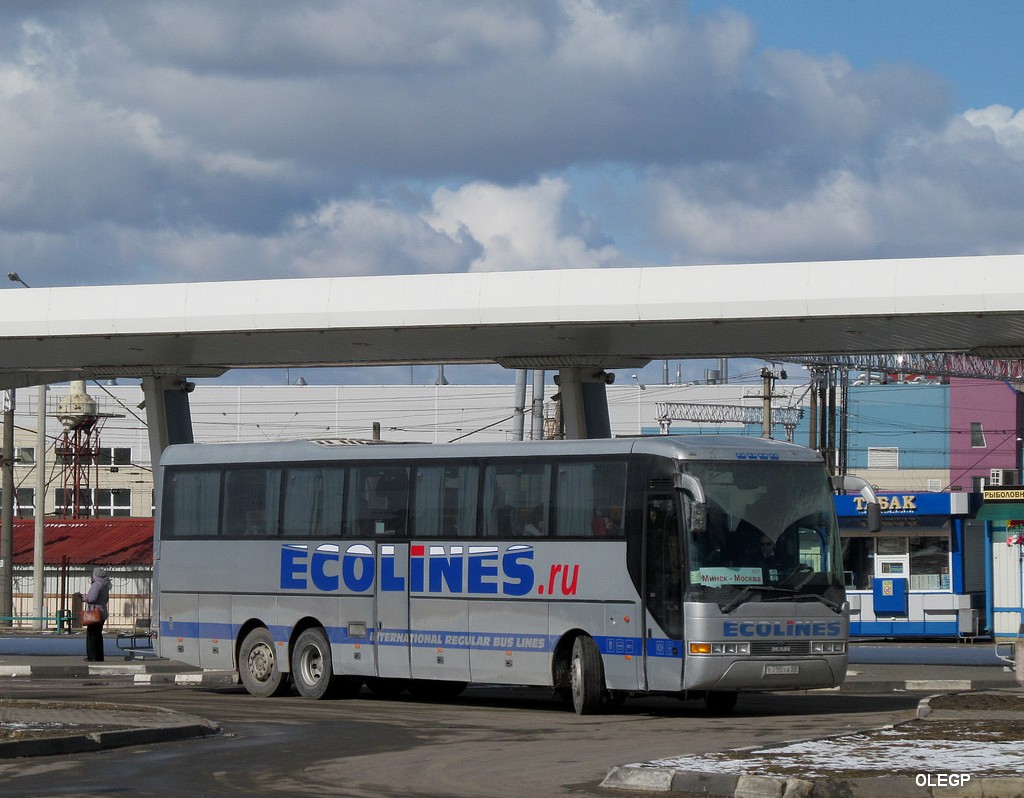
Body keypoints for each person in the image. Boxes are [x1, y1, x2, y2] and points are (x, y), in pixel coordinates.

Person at [84, 566, 112, 662]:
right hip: (102, 612)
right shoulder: (105, 584)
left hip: (95, 613)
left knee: (91, 634)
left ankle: (92, 656)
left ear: (95, 575)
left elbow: (92, 598)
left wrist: (84, 598)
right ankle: (99, 656)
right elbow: (106, 599)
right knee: (98, 635)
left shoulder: (97, 584)